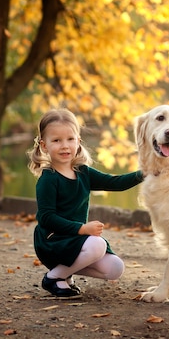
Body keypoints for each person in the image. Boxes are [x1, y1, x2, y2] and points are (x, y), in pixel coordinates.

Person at [27, 108, 143, 298]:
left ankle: (65, 272)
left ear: (78, 141)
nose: (65, 146)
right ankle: (54, 277)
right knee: (97, 245)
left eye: (70, 139)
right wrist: (82, 229)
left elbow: (116, 183)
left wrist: (145, 172)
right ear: (44, 145)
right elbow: (47, 218)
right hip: (53, 241)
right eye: (56, 140)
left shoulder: (83, 172)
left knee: (115, 268)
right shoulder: (49, 179)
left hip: (76, 241)